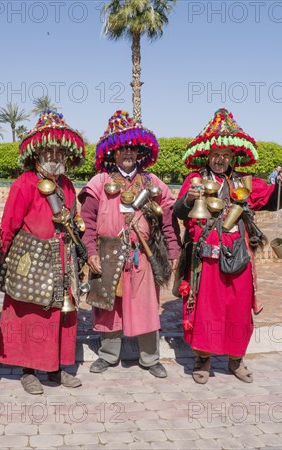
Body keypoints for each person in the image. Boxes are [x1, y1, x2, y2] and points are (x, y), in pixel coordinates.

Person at [173, 108, 282, 385]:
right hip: (206, 259)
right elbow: (178, 211)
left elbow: (273, 200)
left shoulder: (243, 183)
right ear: (208, 156)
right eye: (216, 155)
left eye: (225, 156)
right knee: (206, 309)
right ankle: (203, 359)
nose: (220, 160)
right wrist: (189, 200)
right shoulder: (195, 180)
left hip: (239, 257)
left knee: (238, 308)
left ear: (232, 157)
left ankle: (236, 360)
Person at [79, 110, 181, 379]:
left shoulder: (153, 183)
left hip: (141, 256)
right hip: (107, 253)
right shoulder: (99, 183)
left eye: (132, 149)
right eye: (121, 148)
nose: (127, 153)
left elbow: (168, 221)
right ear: (112, 152)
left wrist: (172, 250)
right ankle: (108, 355)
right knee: (107, 306)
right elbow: (87, 221)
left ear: (139, 152)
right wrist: (90, 251)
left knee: (147, 304)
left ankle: (149, 358)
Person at [0, 111, 86, 395]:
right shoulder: (24, 184)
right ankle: (28, 370)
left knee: (62, 313)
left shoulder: (68, 185)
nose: (55, 156)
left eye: (60, 151)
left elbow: (73, 217)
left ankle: (57, 368)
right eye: (49, 150)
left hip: (62, 257)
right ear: (37, 153)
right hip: (30, 260)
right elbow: (9, 224)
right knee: (29, 314)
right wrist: (1, 256)